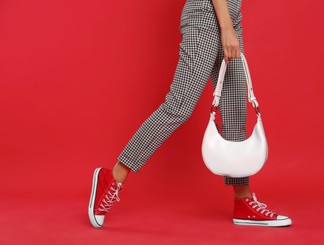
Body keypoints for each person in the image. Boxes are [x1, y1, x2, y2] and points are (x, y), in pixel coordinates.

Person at [88, 0, 292, 228]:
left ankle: (242, 200)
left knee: (234, 109)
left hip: (230, 15)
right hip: (205, 16)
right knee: (179, 106)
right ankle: (112, 177)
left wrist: (230, 23)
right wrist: (225, 27)